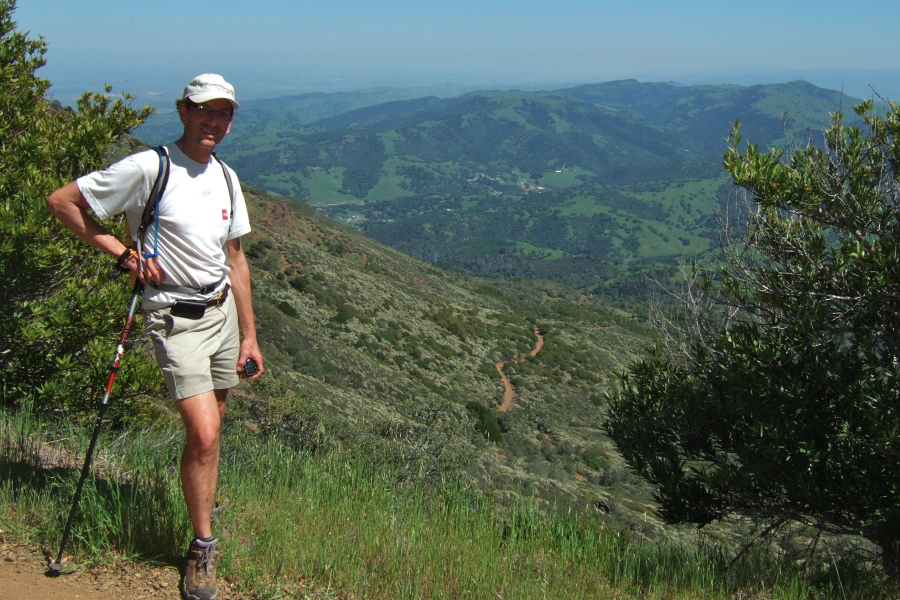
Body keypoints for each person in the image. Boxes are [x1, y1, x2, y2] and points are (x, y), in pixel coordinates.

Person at [47, 73, 263, 600]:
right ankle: (202, 546)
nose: (214, 121)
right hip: (173, 316)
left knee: (209, 435)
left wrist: (251, 336)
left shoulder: (226, 177)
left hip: (220, 315)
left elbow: (235, 259)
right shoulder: (151, 166)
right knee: (206, 435)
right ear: (183, 111)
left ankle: (202, 511)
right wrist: (125, 256)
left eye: (224, 113)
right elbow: (63, 202)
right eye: (204, 111)